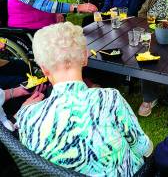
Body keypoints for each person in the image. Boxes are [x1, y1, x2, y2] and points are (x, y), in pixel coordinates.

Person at [16, 22, 153, 176]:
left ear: (44, 69)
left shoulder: (27, 117)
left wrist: (24, 111)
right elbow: (143, 148)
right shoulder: (109, 99)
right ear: (84, 58)